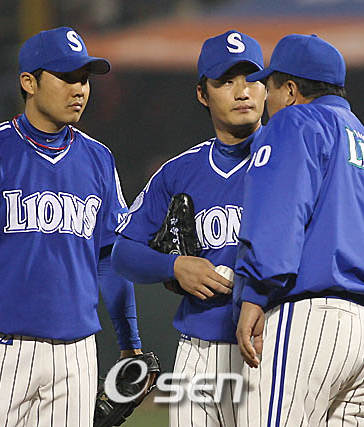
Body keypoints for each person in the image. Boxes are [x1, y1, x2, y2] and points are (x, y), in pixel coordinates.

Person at [0, 27, 142, 427]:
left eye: (84, 79)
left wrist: (131, 344)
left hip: (76, 355)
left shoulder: (99, 159)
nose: (79, 89)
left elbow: (109, 258)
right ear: (29, 82)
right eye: (66, 77)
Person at [233, 34, 364, 427]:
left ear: (291, 90)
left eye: (270, 87)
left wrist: (255, 294)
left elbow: (280, 214)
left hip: (312, 320)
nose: (266, 98)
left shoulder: (297, 121)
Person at [112, 30, 266, 427]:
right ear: (202, 94)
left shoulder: (293, 161)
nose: (242, 91)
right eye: (226, 81)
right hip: (197, 354)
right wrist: (174, 266)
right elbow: (123, 252)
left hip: (270, 347)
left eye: (252, 78)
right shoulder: (179, 172)